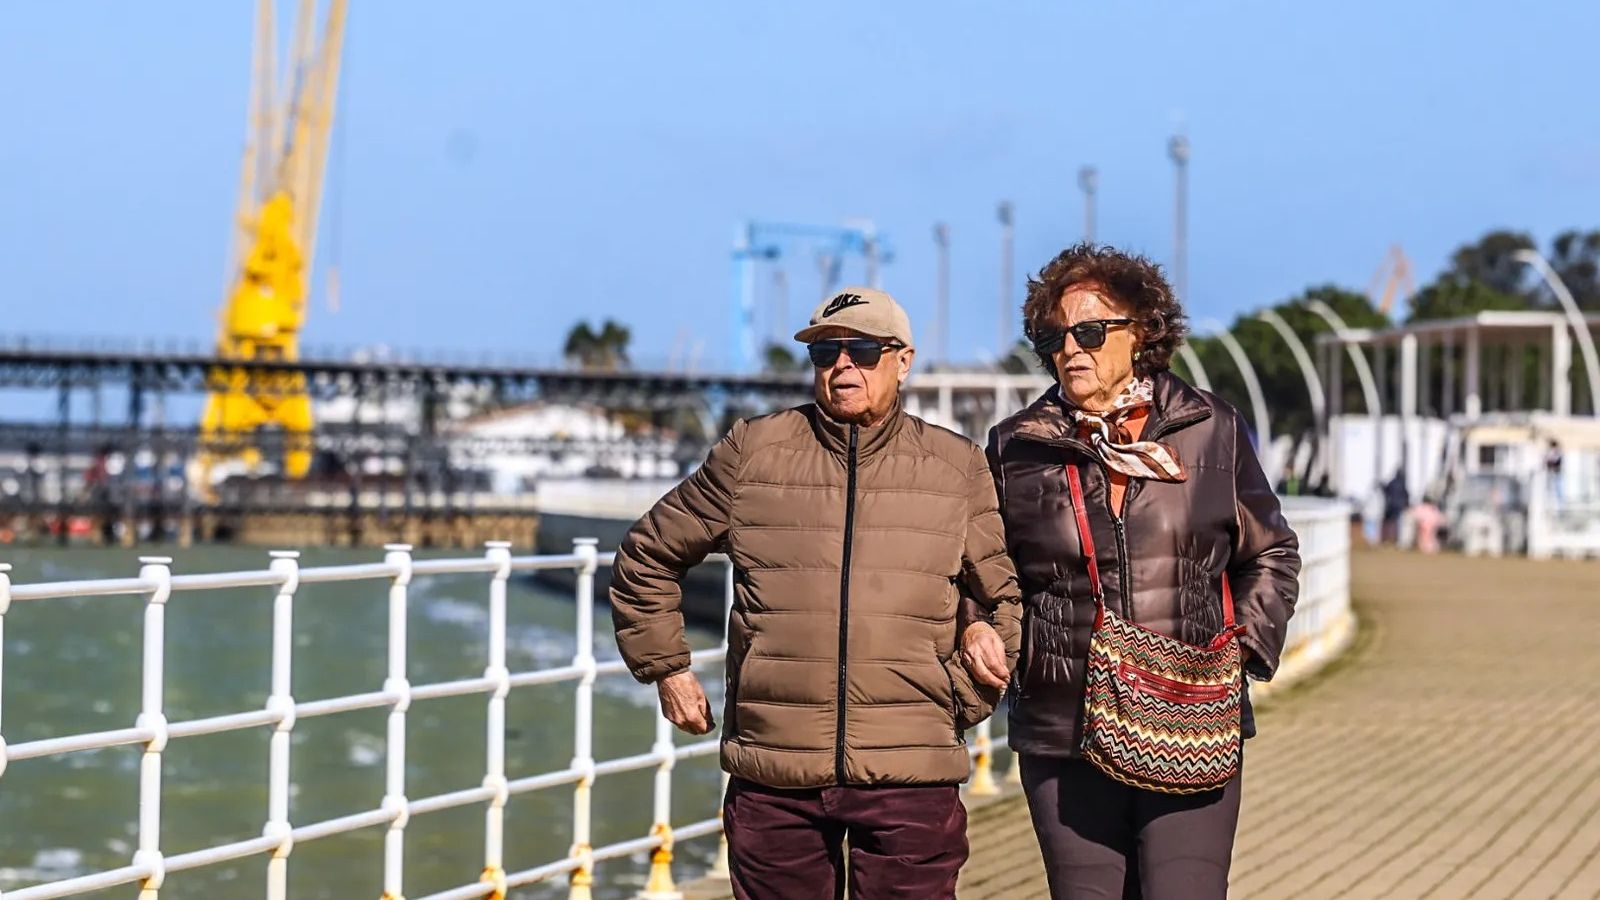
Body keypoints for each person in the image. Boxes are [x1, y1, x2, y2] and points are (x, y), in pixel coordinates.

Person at [609, 287, 1021, 900]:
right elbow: (649, 554)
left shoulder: (956, 466)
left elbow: (1002, 599)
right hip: (775, 773)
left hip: (912, 774)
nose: (842, 366)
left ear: (903, 359)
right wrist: (666, 668)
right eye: (826, 352)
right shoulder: (753, 452)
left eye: (861, 350)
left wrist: (952, 703)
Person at [960, 244, 1301, 900]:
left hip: (1192, 713)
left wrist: (1247, 648)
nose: (1071, 348)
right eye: (1055, 336)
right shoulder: (1016, 445)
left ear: (1141, 332)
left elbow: (1270, 552)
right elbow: (978, 571)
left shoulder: (1210, 428)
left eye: (1090, 331)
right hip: (1063, 727)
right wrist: (980, 628)